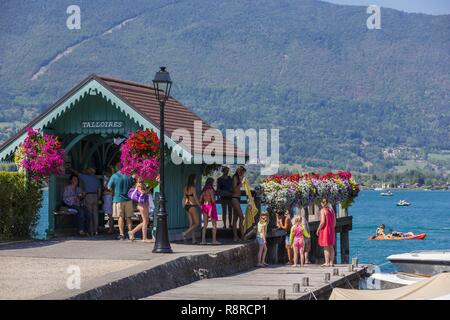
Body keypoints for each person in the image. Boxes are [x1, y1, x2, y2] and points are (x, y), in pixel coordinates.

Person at [68, 166, 101, 236]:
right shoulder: (96, 179)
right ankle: (96, 230)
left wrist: (70, 168)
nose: (86, 171)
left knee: (89, 213)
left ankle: (91, 231)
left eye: (88, 170)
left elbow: (77, 173)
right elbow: (99, 190)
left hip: (88, 196)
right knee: (95, 214)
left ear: (90, 171)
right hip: (95, 196)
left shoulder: (86, 177)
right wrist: (98, 198)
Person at [107, 163, 135, 240]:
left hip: (118, 199)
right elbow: (133, 186)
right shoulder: (129, 176)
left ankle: (122, 234)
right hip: (128, 199)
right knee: (129, 217)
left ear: (117, 168)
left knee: (120, 217)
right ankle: (131, 234)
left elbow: (109, 187)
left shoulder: (114, 176)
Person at [127, 178, 153, 243]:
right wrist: (149, 188)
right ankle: (144, 238)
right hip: (142, 204)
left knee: (146, 221)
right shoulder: (139, 184)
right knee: (145, 221)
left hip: (143, 204)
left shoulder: (141, 184)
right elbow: (142, 192)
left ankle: (132, 232)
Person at [199, 177, 220, 245]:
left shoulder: (204, 190)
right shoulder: (210, 190)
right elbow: (213, 200)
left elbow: (200, 200)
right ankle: (213, 240)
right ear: (211, 183)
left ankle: (203, 241)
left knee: (205, 224)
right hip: (211, 206)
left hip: (205, 206)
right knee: (214, 224)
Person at [317, 198, 336, 267]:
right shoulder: (331, 210)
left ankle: (327, 262)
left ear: (322, 203)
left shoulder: (323, 210)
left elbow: (322, 222)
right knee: (331, 246)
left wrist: (318, 229)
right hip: (331, 229)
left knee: (326, 247)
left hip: (325, 230)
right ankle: (331, 262)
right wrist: (331, 227)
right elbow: (334, 222)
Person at [182, 174, 200, 244]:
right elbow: (195, 198)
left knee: (191, 223)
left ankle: (193, 240)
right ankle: (185, 233)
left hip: (186, 206)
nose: (196, 180)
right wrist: (199, 205)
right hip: (192, 206)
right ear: (193, 180)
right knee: (196, 223)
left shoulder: (185, 188)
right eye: (195, 179)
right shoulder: (193, 188)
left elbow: (184, 197)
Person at [231, 166, 246, 242]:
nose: (243, 174)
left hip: (237, 198)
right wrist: (241, 183)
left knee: (235, 219)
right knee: (242, 217)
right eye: (243, 172)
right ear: (240, 171)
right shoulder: (235, 178)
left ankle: (236, 237)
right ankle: (242, 236)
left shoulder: (237, 178)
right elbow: (234, 188)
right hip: (234, 198)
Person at [102, 167, 114, 234]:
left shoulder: (109, 179)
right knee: (110, 214)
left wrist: (103, 188)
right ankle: (111, 228)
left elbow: (109, 189)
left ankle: (110, 229)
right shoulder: (111, 178)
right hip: (109, 196)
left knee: (110, 214)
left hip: (108, 196)